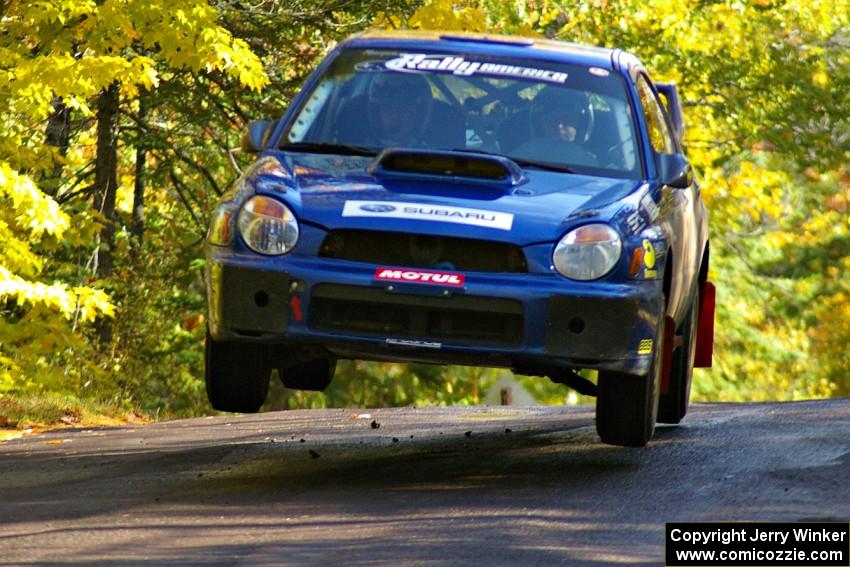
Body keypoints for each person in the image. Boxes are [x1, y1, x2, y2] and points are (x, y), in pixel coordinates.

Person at [510, 87, 597, 166]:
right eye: (552, 120)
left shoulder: (591, 166)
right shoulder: (518, 159)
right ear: (539, 124)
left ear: (581, 125)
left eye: (567, 121)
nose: (559, 127)